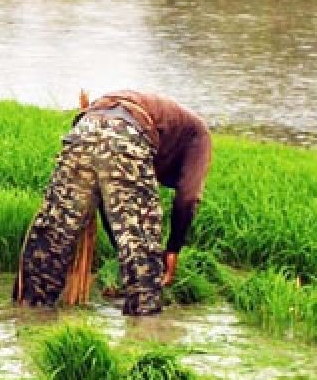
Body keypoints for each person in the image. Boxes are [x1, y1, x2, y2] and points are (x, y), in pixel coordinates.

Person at [14, 90, 212, 316]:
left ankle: (29, 313)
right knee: (142, 252)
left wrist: (121, 246)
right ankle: (144, 330)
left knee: (53, 235)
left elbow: (111, 205)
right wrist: (173, 249)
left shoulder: (168, 120)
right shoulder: (200, 135)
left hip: (84, 129)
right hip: (126, 132)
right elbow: (188, 197)